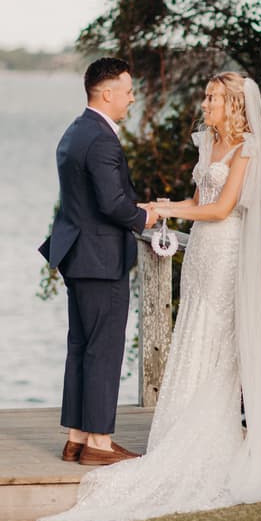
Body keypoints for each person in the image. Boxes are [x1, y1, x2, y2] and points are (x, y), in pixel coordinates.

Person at [36, 71, 261, 521]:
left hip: (222, 250)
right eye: (206, 95)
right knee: (185, 335)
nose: (204, 103)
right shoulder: (205, 141)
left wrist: (162, 210)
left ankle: (102, 438)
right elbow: (186, 196)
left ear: (235, 105)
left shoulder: (246, 148)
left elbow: (222, 208)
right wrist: (156, 210)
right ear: (107, 93)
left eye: (212, 98)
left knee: (209, 341)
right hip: (197, 250)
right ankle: (99, 441)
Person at [39, 58, 159, 467]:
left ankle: (76, 438)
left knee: (81, 346)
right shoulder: (103, 139)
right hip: (101, 257)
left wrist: (128, 207)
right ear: (106, 93)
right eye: (127, 90)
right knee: (104, 350)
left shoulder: (76, 131)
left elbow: (88, 199)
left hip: (77, 254)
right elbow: (110, 204)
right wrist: (144, 216)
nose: (131, 98)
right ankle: (100, 445)